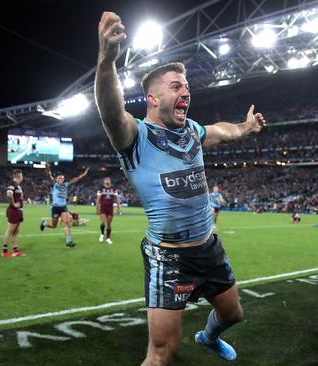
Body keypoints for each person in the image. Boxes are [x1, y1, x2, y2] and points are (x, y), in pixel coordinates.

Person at [95, 10, 266, 365]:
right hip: (169, 256)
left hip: (208, 247)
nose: (185, 91)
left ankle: (208, 336)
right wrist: (107, 60)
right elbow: (111, 110)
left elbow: (220, 130)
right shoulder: (135, 137)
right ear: (153, 99)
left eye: (186, 86)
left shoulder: (191, 132)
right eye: (176, 86)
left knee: (234, 314)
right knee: (163, 353)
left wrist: (245, 128)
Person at [40, 163, 89, 248]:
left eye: (62, 178)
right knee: (53, 226)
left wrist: (83, 175)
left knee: (66, 224)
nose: (61, 179)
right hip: (55, 208)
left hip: (63, 208)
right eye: (59, 178)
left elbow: (75, 179)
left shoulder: (65, 185)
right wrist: (47, 169)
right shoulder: (54, 185)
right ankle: (44, 224)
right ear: (56, 179)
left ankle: (69, 242)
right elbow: (49, 176)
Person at [3, 169, 25, 258]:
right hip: (14, 211)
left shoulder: (18, 186)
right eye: (21, 175)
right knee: (10, 230)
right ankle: (4, 251)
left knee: (16, 231)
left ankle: (15, 250)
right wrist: (13, 204)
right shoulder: (13, 184)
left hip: (18, 211)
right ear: (19, 176)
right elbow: (9, 194)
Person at [96, 177, 122, 244]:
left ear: (110, 181)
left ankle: (108, 238)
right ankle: (102, 234)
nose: (107, 180)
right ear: (104, 181)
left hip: (110, 208)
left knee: (109, 224)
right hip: (103, 208)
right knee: (103, 222)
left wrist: (119, 207)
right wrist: (97, 208)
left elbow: (117, 198)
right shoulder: (100, 188)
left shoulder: (113, 189)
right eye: (106, 179)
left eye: (109, 179)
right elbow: (98, 199)